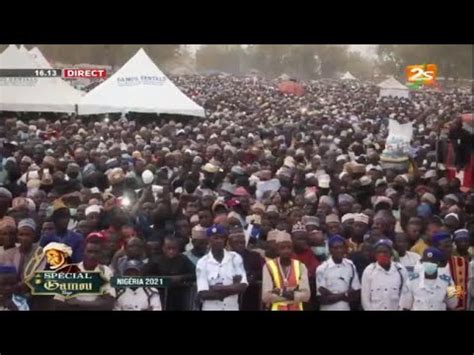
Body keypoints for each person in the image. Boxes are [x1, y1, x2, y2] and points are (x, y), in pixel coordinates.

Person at [196, 224, 248, 310]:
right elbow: (203, 293)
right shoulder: (202, 262)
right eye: (216, 238)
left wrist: (218, 288)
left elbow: (242, 286)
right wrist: (232, 288)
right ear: (209, 240)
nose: (219, 241)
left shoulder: (235, 258)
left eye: (222, 238)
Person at [55, 236, 115, 310]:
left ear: (101, 254)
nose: (92, 255)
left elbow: (108, 305)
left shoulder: (106, 271)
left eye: (96, 252)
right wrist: (96, 302)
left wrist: (77, 303)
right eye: (89, 251)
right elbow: (58, 303)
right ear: (84, 252)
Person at [261, 230, 310, 310]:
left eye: (289, 247)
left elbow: (306, 295)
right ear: (277, 249)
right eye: (282, 248)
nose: (286, 251)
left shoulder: (301, 266)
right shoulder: (268, 266)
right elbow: (266, 297)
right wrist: (294, 295)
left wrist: (281, 292)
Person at [145, 236, 196, 311]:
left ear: (178, 249)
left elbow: (195, 274)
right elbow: (146, 277)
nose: (171, 251)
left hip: (180, 295)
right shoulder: (155, 261)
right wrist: (163, 280)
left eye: (174, 248)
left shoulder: (183, 259)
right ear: (163, 248)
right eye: (168, 248)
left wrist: (180, 277)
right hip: (160, 294)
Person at [361, 239, 409, 310]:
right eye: (379, 252)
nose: (382, 255)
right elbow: (365, 299)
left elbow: (405, 295)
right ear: (375, 254)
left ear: (391, 253)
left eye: (385, 252)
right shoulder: (369, 271)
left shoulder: (401, 270)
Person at [316, 235, 360, 311]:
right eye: (335, 248)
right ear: (330, 250)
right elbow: (323, 299)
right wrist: (345, 294)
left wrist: (332, 295)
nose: (339, 250)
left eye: (341, 247)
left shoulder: (350, 265)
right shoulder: (322, 269)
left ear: (345, 249)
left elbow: (355, 294)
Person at [432, 231, 469, 310]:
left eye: (450, 246)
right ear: (435, 247)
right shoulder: (429, 264)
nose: (449, 249)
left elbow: (458, 286)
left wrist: (455, 304)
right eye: (446, 246)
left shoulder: (460, 263)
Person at [228, 229, 264, 311]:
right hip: (230, 294)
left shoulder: (254, 256)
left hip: (250, 294)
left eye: (242, 242)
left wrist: (252, 276)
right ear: (230, 244)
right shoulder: (225, 257)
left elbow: (261, 272)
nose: (240, 245)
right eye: (236, 243)